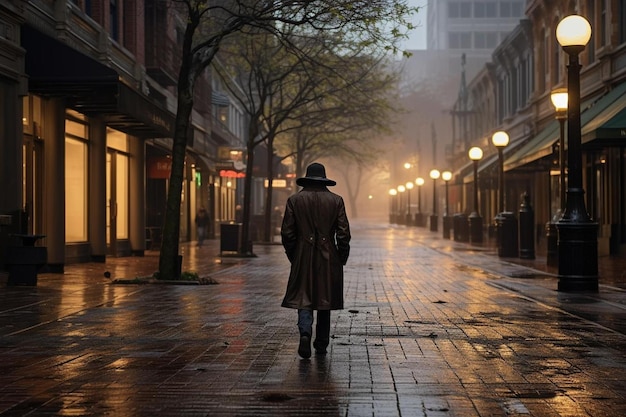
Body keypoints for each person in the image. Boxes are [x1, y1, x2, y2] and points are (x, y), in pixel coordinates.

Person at [280, 162, 351, 358]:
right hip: (329, 255)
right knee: (324, 299)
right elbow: (343, 233)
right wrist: (341, 257)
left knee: (305, 297)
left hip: (303, 254)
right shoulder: (336, 201)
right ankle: (321, 343)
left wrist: (294, 255)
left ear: (307, 178)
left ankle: (305, 333)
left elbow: (287, 233)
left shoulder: (294, 200)